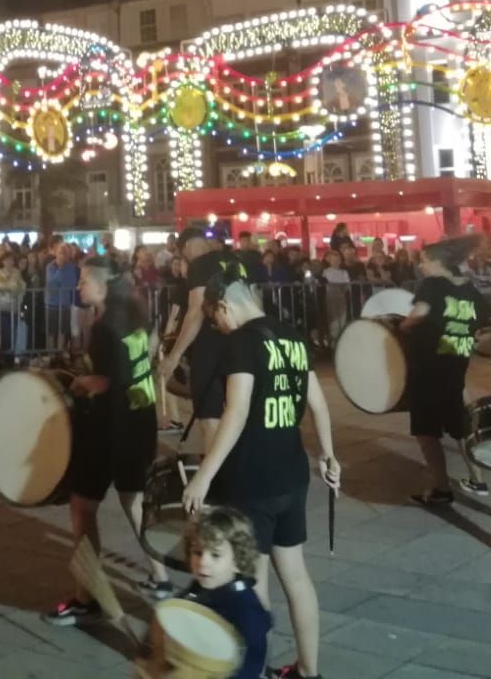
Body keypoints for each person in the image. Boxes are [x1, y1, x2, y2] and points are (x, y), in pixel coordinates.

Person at [181, 268, 339, 679]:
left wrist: (204, 475)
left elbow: (235, 413)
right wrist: (328, 454)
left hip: (252, 476)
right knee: (297, 576)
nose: (218, 325)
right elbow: (319, 405)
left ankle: (257, 669)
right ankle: (309, 671)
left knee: (255, 579)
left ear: (223, 306)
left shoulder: (241, 343)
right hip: (292, 471)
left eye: (214, 317)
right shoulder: (293, 337)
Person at [42, 261, 172, 626]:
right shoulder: (136, 314)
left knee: (82, 509)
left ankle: (86, 598)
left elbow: (107, 381)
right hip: (140, 419)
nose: (79, 286)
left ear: (101, 287)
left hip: (109, 428)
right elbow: (144, 358)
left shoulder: (103, 326)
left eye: (84, 281)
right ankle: (161, 578)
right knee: (133, 500)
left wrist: (80, 382)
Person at [400, 237, 490, 504]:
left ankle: (441, 487)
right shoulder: (468, 288)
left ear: (438, 262)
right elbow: (488, 317)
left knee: (426, 430)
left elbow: (419, 313)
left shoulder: (432, 285)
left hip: (429, 365)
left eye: (424, 261)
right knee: (459, 426)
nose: (421, 266)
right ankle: (478, 478)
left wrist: (403, 326)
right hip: (456, 362)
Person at [165, 507, 271, 679]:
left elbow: (253, 658)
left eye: (215, 555)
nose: (203, 562)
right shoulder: (199, 587)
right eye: (198, 552)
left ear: (238, 561)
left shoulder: (244, 605)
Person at [159, 228, 231, 451]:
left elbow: (195, 311)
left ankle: (216, 469)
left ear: (187, 247)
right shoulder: (234, 261)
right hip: (239, 344)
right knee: (236, 411)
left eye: (182, 255)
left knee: (210, 417)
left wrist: (174, 356)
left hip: (210, 347)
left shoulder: (200, 265)